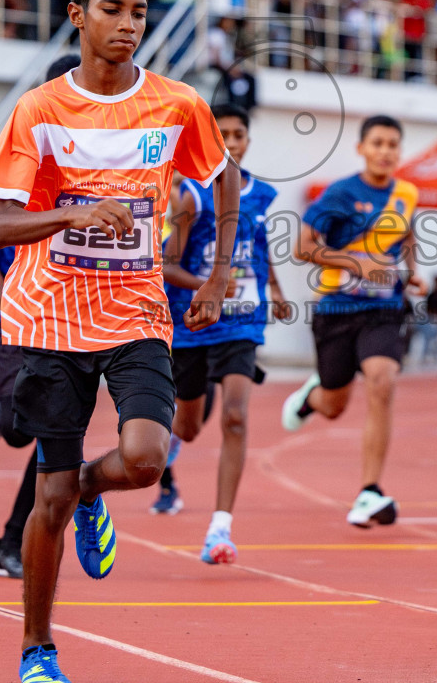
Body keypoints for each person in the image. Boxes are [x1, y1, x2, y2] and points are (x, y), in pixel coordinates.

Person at [0, 0, 239, 683]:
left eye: (139, 12)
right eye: (113, 10)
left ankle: (94, 487)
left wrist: (218, 274)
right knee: (46, 496)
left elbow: (223, 179)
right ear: (78, 15)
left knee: (148, 457)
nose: (128, 25)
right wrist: (79, 211)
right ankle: (37, 650)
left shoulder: (179, 103)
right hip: (52, 320)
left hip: (136, 313)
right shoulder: (39, 110)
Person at [155, 103, 287, 564]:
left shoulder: (263, 193)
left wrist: (276, 289)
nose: (230, 144)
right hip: (193, 322)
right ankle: (169, 441)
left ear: (248, 139)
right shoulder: (189, 194)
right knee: (189, 428)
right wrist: (208, 283)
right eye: (223, 135)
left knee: (235, 416)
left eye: (238, 135)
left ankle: (219, 529)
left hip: (242, 321)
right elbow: (167, 264)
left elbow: (260, 247)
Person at [0, 53, 81, 579]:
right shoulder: (23, 142)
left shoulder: (110, 149)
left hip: (72, 318)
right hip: (17, 311)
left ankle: (12, 543)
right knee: (17, 428)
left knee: (50, 431)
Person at [282, 114, 423, 527]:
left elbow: (407, 235)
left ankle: (369, 491)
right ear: (362, 149)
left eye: (392, 144)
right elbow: (303, 246)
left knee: (382, 381)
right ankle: (313, 397)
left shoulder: (407, 193)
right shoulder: (340, 194)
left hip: (383, 308)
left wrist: (411, 272)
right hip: (335, 307)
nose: (385, 151)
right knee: (334, 406)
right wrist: (355, 264)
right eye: (377, 143)